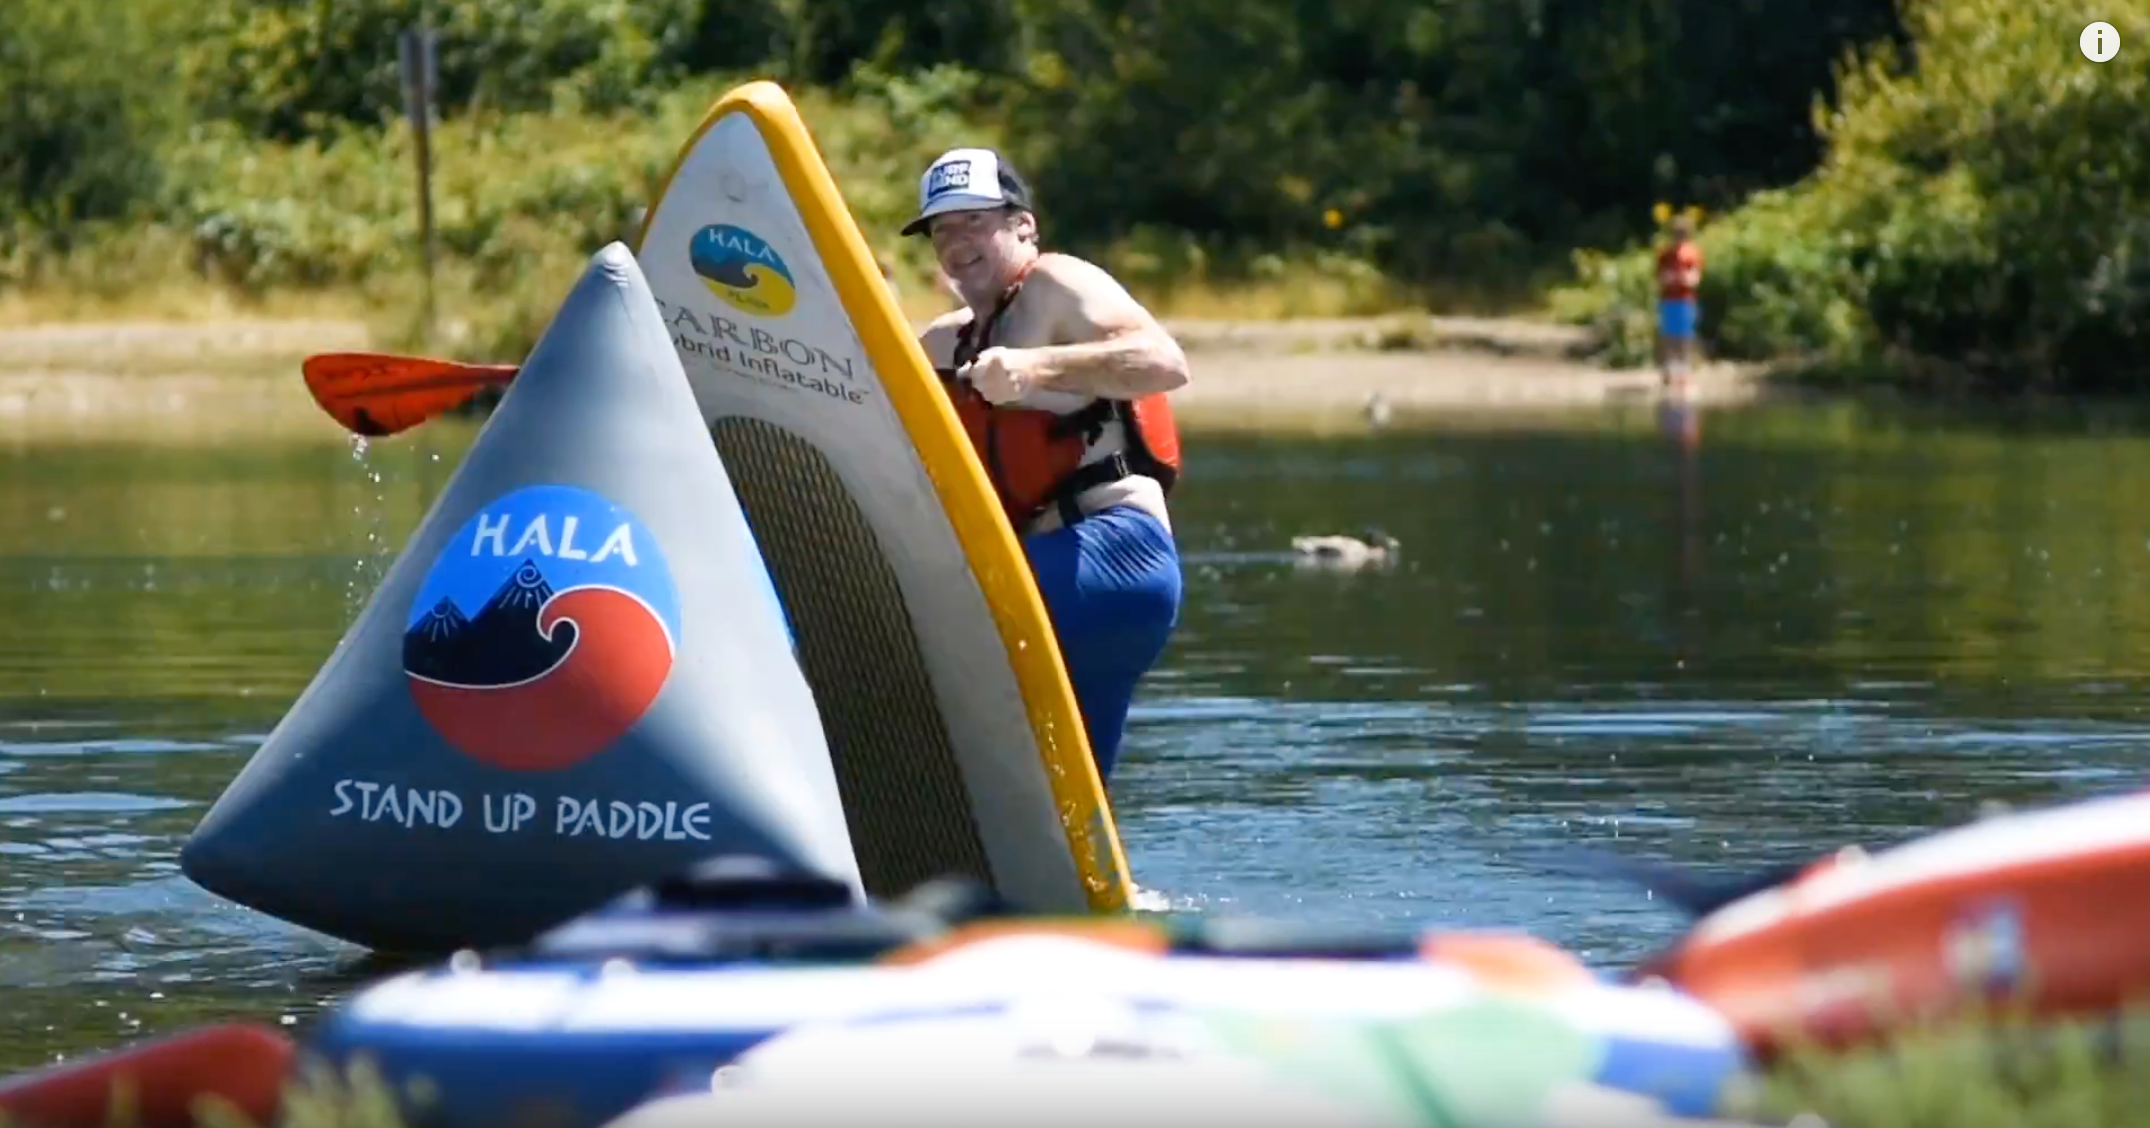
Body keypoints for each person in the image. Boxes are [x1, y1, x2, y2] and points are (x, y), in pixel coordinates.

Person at [901, 147, 1188, 784]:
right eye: (941, 230)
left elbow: (1165, 361)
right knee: (1068, 798)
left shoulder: (1057, 284)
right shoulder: (944, 343)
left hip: (1116, 556)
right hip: (1064, 582)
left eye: (975, 222)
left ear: (1023, 226)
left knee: (919, 631)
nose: (956, 243)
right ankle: (1078, 883)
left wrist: (1033, 368)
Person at [1655, 214, 1705, 391]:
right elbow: (1661, 277)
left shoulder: (1692, 253)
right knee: (1669, 337)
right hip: (1669, 300)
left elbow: (1695, 278)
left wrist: (1682, 279)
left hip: (1686, 300)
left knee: (1685, 337)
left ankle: (1686, 373)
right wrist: (1673, 279)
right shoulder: (1665, 254)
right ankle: (1668, 372)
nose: (1679, 236)